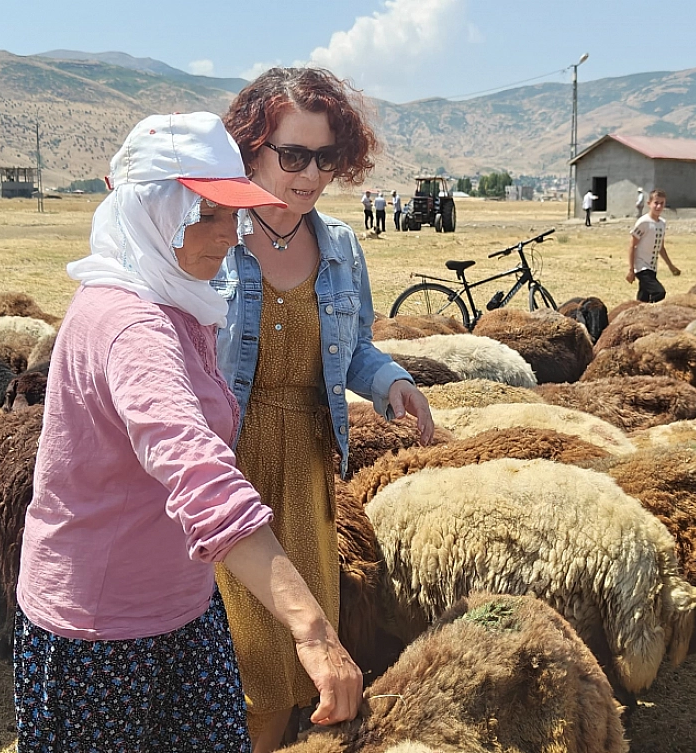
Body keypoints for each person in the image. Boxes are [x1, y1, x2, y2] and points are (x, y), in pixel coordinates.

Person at [13, 111, 361, 752]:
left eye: (234, 215)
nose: (230, 235)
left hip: (182, 608)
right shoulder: (132, 325)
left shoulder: (181, 303)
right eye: (206, 216)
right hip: (106, 634)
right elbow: (195, 468)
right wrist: (311, 628)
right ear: (152, 212)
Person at [218, 67, 436, 753]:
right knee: (248, 658)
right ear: (251, 149)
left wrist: (392, 382)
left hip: (308, 466)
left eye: (324, 156)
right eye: (292, 155)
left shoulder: (340, 246)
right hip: (231, 463)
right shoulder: (214, 239)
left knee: (302, 660)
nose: (310, 174)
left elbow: (356, 346)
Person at [626, 189, 680, 302]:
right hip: (642, 267)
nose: (659, 206)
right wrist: (631, 270)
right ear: (649, 203)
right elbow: (632, 246)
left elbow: (660, 247)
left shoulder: (662, 223)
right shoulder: (643, 222)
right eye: (656, 203)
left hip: (652, 267)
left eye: (662, 203)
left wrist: (671, 266)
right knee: (659, 292)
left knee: (643, 298)